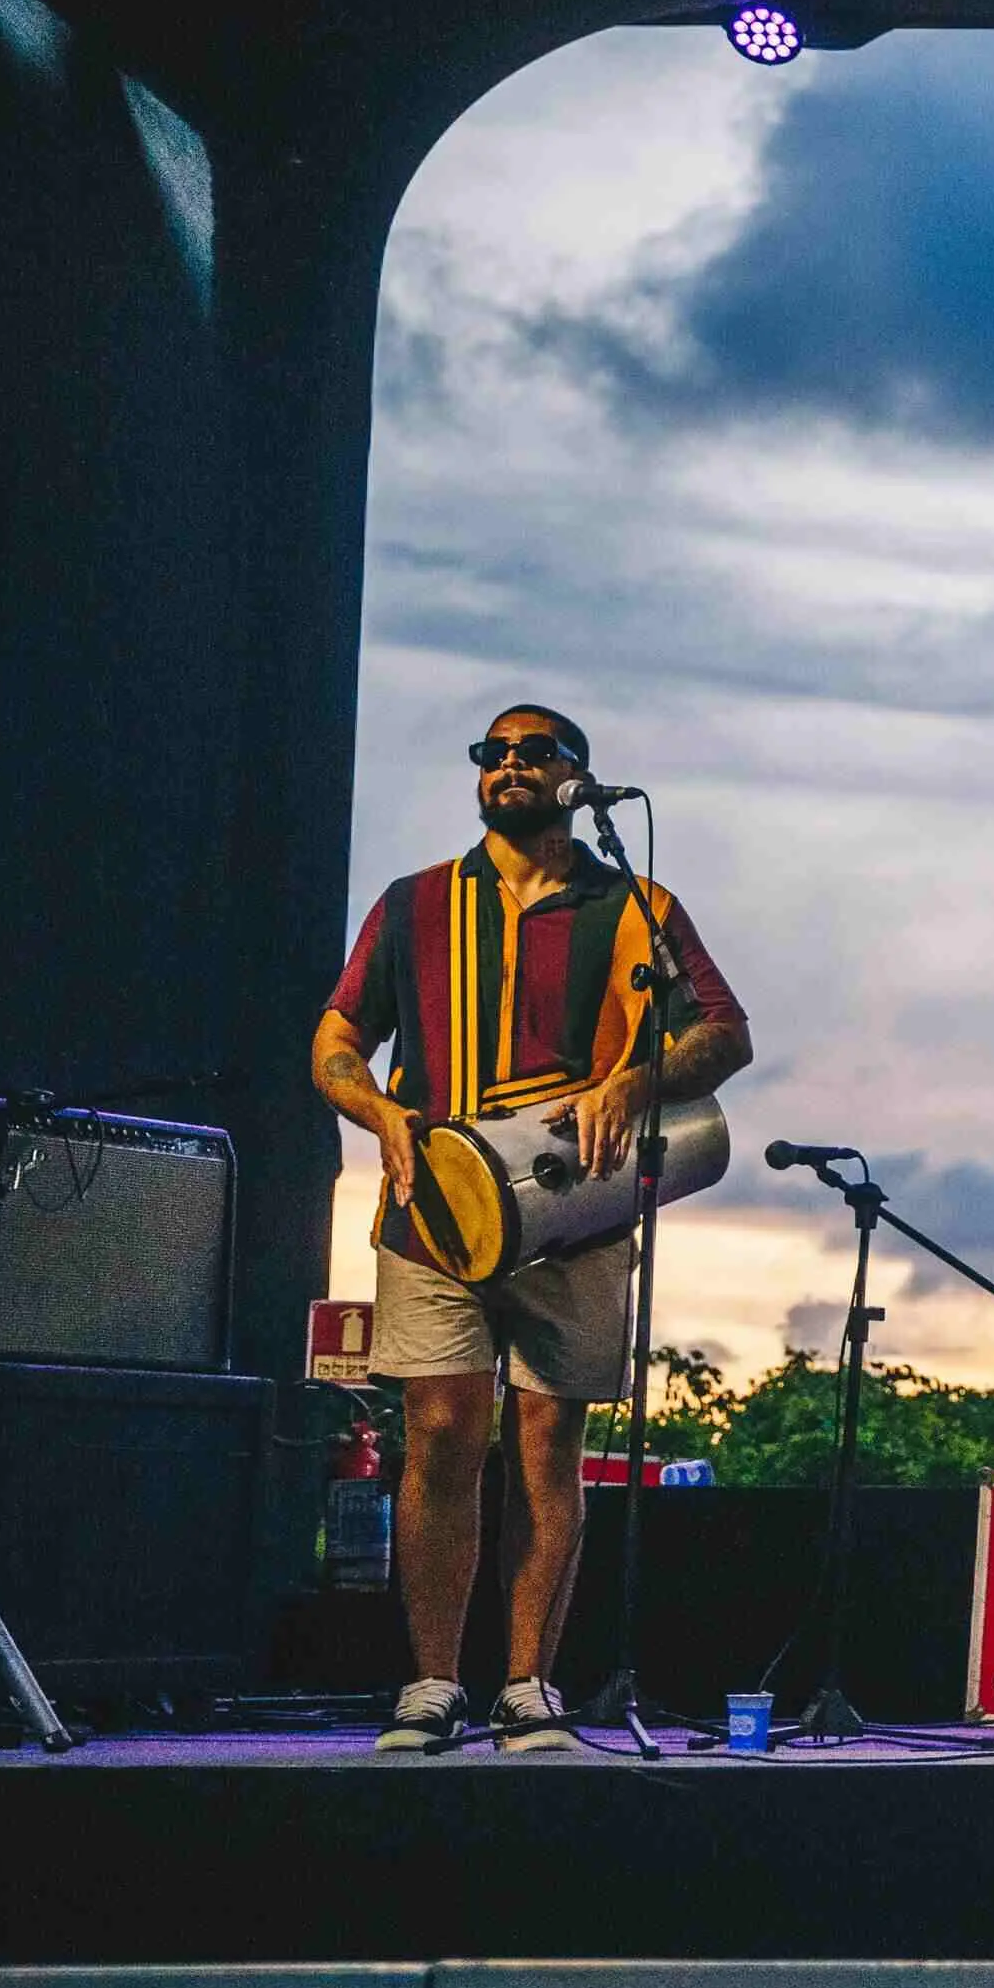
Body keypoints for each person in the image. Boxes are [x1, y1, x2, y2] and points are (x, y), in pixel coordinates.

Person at [310, 704, 753, 1753]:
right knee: (440, 1432)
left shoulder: (636, 903)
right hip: (432, 1208)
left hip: (574, 1210)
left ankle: (527, 1686)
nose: (507, 764)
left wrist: (636, 1081)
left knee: (550, 1448)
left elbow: (725, 1032)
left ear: (575, 778)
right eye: (492, 753)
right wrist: (378, 1112)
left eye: (532, 752)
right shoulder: (415, 901)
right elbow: (335, 1040)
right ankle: (430, 1684)